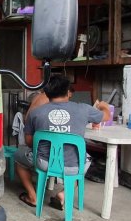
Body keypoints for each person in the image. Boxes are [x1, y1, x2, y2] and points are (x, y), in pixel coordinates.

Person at [15, 75, 111, 209]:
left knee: (18, 158)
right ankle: (64, 194)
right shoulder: (83, 109)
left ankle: (32, 197)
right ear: (68, 92)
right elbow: (106, 116)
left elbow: (29, 141)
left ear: (46, 93)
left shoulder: (35, 113)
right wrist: (103, 106)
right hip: (74, 167)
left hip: (44, 163)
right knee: (85, 161)